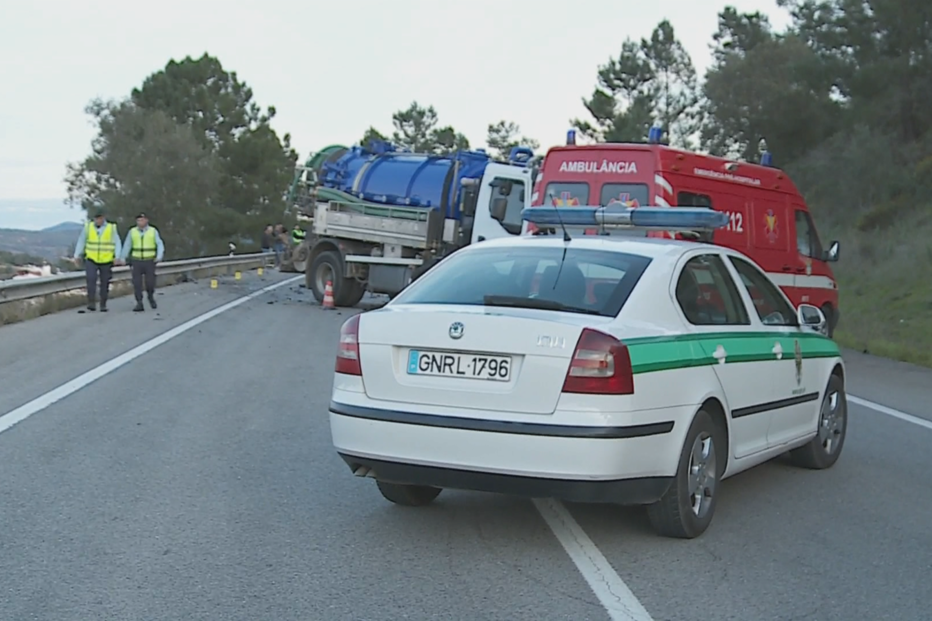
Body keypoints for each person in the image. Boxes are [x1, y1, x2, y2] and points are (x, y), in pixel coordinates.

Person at [73, 208, 123, 312]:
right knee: (91, 280)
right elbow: (82, 241)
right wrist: (77, 255)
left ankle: (103, 304)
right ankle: (91, 302)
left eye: (100, 218)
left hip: (106, 260)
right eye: (96, 218)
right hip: (91, 258)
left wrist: (117, 257)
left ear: (103, 218)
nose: (98, 220)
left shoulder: (111, 228)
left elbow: (117, 242)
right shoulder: (88, 227)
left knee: (105, 282)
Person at [120, 213, 165, 312]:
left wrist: (159, 256)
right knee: (137, 283)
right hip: (136, 261)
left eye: (142, 220)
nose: (141, 222)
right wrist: (123, 257)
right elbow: (127, 245)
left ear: (147, 220)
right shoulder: (132, 231)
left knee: (150, 282)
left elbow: (159, 244)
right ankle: (139, 303)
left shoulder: (153, 231)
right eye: (139, 220)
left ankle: (150, 296)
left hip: (149, 261)